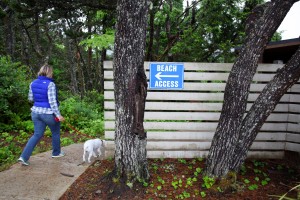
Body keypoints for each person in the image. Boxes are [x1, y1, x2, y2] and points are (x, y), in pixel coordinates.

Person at [18, 64, 65, 166]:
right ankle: (56, 153)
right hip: (48, 114)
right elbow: (52, 102)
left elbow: (30, 98)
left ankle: (23, 157)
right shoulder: (50, 84)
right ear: (49, 72)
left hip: (35, 113)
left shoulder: (33, 83)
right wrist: (58, 115)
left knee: (37, 135)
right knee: (55, 133)